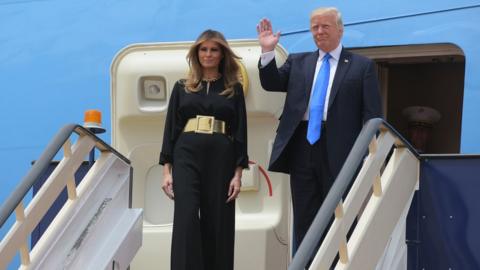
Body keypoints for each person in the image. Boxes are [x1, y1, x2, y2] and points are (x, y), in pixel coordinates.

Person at [257, 7, 382, 252]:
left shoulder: (361, 66)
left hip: (341, 149)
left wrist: (366, 156)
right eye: (315, 27)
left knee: (340, 213)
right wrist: (267, 51)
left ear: (340, 29)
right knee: (304, 217)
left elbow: (373, 116)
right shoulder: (298, 61)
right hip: (302, 146)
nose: (319, 31)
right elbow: (271, 83)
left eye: (325, 26)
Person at [159, 29, 248, 270]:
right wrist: (167, 171)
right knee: (186, 219)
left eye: (214, 49)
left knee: (218, 222)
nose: (208, 54)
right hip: (186, 154)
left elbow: (240, 132)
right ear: (196, 53)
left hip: (221, 157)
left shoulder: (234, 89)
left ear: (222, 54)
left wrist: (238, 174)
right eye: (203, 49)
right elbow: (171, 130)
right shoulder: (182, 87)